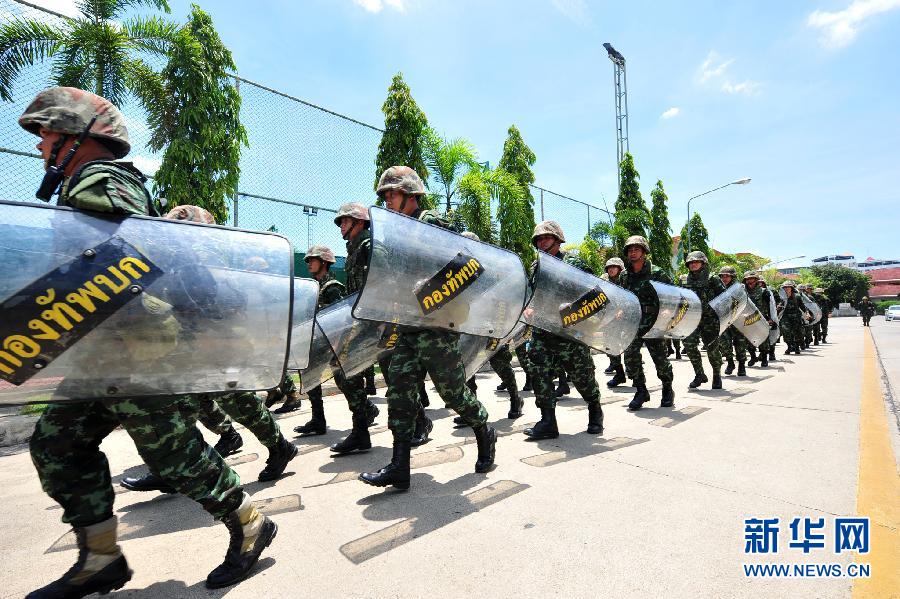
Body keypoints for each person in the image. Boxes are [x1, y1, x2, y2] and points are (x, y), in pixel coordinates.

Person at [20, 87, 274, 595]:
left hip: (137, 351)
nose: (40, 143)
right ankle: (100, 558)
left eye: (46, 132)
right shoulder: (91, 184)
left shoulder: (102, 182)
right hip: (106, 353)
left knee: (173, 455)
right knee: (58, 445)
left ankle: (251, 524)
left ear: (75, 135)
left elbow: (128, 265)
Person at [122, 205, 298, 492]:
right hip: (187, 346)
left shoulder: (205, 254)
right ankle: (172, 468)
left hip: (215, 343)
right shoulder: (174, 258)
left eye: (177, 228)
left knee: (239, 404)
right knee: (179, 407)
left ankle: (280, 447)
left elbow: (219, 298)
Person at [359, 166, 496, 490]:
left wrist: (430, 283)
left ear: (410, 195)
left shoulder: (433, 224)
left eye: (391, 194)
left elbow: (468, 264)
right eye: (384, 195)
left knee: (452, 392)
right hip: (407, 325)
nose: (387, 200)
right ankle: (399, 466)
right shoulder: (395, 234)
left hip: (436, 326)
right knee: (400, 393)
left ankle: (484, 430)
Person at [523, 221, 605, 439]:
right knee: (539, 374)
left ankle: (595, 410)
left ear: (558, 240)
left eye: (547, 238)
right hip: (543, 331)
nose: (542, 242)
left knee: (582, 376)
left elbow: (595, 295)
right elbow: (532, 295)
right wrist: (529, 308)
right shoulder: (536, 267)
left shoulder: (574, 263)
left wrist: (572, 307)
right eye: (539, 239)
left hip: (570, 331)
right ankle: (548, 422)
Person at [328, 203, 382, 454]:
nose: (341, 225)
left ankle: (419, 421)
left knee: (397, 378)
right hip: (360, 323)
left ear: (359, 222)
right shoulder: (353, 250)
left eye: (345, 221)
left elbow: (383, 283)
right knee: (343, 371)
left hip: (378, 323)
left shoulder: (370, 246)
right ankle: (361, 428)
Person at [614, 236, 675, 410]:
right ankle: (641, 390)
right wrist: (620, 309)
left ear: (644, 252)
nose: (632, 253)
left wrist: (667, 310)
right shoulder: (624, 275)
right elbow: (622, 296)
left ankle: (667, 388)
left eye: (636, 249)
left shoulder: (657, 273)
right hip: (633, 321)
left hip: (654, 321)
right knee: (630, 357)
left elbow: (673, 295)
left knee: (660, 358)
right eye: (630, 250)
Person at [293, 245, 347, 436]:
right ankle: (318, 420)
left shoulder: (331, 287)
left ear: (324, 262)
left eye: (312, 260)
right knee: (310, 375)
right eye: (307, 260)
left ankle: (367, 410)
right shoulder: (315, 287)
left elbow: (340, 318)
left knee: (345, 383)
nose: (309, 263)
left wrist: (336, 345)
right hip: (319, 342)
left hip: (333, 343)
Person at [682, 251, 726, 390]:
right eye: (691, 262)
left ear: (703, 263)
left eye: (696, 262)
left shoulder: (713, 279)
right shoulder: (684, 279)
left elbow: (724, 298)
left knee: (712, 349)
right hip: (692, 319)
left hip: (710, 320)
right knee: (689, 345)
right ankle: (699, 374)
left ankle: (717, 374)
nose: (693, 264)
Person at [716, 266, 747, 376]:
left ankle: (742, 365)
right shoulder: (717, 288)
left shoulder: (740, 288)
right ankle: (730, 362)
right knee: (724, 343)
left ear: (732, 277)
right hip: (724, 321)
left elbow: (745, 303)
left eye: (727, 276)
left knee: (740, 344)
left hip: (738, 320)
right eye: (722, 276)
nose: (724, 278)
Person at [743, 270, 772, 368]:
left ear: (756, 280)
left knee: (763, 340)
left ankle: (764, 358)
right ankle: (753, 357)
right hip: (748, 319)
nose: (749, 281)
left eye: (751, 279)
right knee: (749, 341)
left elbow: (770, 307)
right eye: (747, 279)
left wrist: (770, 318)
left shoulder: (764, 292)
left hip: (761, 319)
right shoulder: (743, 292)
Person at [779, 281, 809, 354]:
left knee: (797, 332)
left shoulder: (797, 296)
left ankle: (796, 347)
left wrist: (807, 313)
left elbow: (802, 306)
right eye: (785, 287)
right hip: (785, 316)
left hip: (796, 317)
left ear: (791, 288)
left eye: (788, 287)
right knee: (785, 331)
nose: (786, 288)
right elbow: (777, 306)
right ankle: (789, 346)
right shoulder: (782, 297)